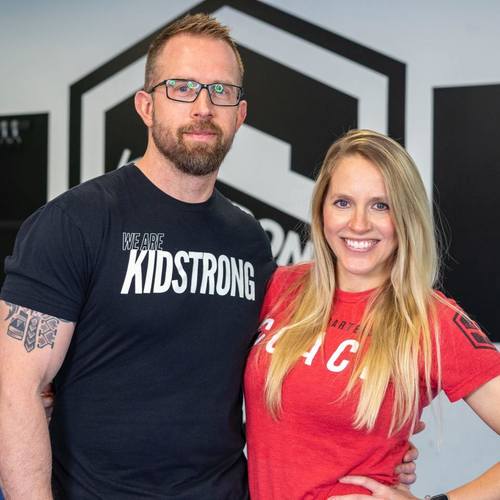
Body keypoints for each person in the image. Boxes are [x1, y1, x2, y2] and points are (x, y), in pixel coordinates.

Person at [0, 15, 417, 500]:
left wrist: (367, 439)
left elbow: (290, 374)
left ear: (240, 114)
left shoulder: (248, 240)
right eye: (182, 88)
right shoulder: (76, 222)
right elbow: (15, 390)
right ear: (146, 106)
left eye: (221, 91)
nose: (203, 107)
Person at [243, 129, 500, 500]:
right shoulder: (282, 288)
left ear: (405, 216)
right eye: (343, 202)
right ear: (322, 209)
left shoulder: (429, 319)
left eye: (381, 205)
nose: (359, 224)